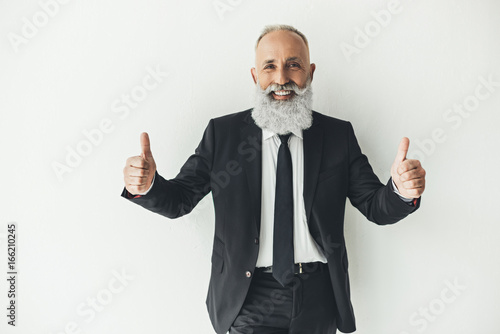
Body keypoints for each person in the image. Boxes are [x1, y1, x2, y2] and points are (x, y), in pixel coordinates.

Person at [121, 24, 426, 334]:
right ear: (255, 76)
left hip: (318, 297)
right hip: (247, 297)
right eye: (270, 66)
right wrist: (147, 185)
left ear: (310, 73)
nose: (282, 79)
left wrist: (401, 191)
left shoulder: (337, 136)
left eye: (294, 65)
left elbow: (375, 205)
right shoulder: (222, 135)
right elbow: (181, 199)